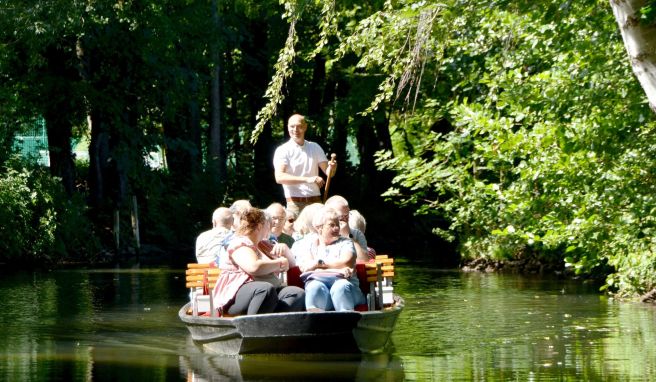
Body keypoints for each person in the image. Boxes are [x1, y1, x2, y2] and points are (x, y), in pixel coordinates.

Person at [212, 208, 305, 315]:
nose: (271, 228)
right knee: (265, 289)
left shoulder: (264, 245)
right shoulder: (239, 244)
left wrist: (285, 250)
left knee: (296, 293)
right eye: (268, 225)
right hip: (236, 298)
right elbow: (254, 267)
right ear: (260, 226)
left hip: (270, 293)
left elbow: (292, 264)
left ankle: (277, 327)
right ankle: (253, 328)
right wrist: (280, 263)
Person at [295, 206, 365, 312]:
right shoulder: (309, 244)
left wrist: (318, 264)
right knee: (314, 286)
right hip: (324, 294)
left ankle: (346, 322)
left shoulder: (346, 242)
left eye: (337, 225)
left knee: (340, 286)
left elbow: (346, 262)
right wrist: (338, 270)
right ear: (319, 228)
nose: (337, 228)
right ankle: (316, 321)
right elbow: (305, 268)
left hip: (348, 291)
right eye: (332, 225)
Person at [273, 114, 337, 215]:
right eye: (292, 126)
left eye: (299, 126)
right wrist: (308, 179)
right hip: (295, 204)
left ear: (305, 127)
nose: (295, 129)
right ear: (288, 127)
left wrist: (333, 167)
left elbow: (329, 173)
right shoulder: (282, 150)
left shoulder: (315, 147)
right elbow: (279, 177)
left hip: (316, 202)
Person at [325, 195, 369, 263]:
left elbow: (364, 260)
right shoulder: (320, 235)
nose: (345, 220)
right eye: (341, 217)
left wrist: (348, 236)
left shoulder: (357, 234)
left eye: (347, 216)